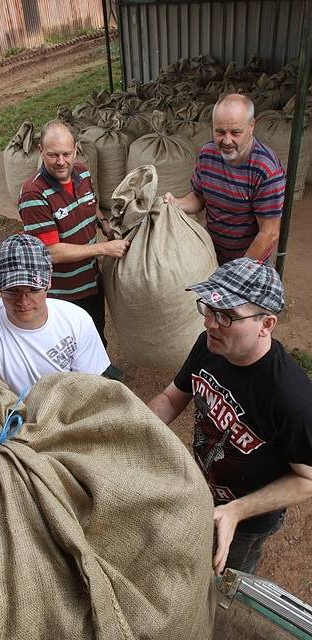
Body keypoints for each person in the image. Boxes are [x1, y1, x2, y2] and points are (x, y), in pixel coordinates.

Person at [147, 257, 312, 575]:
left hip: (248, 518)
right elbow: (170, 398)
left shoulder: (292, 399)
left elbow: (307, 479)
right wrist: (133, 431)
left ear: (266, 324)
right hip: (203, 486)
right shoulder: (210, 346)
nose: (210, 323)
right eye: (208, 308)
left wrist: (237, 511)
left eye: (227, 316)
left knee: (223, 577)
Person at [18, 119, 130, 380]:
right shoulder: (34, 194)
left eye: (66, 154)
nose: (61, 162)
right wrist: (103, 248)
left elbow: (91, 206)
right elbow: (52, 251)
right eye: (53, 155)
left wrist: (104, 224)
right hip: (62, 290)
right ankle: (81, 387)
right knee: (68, 342)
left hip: (89, 279)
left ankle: (100, 365)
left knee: (94, 328)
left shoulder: (82, 174)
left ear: (76, 150)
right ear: (40, 151)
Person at [0, 234, 110, 395]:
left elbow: (90, 388)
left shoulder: (77, 321)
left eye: (33, 290)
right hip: (7, 417)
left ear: (49, 282)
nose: (23, 301)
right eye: (12, 291)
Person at [163, 94, 286, 265]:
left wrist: (237, 271)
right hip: (211, 253)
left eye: (235, 132)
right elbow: (199, 197)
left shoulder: (265, 170)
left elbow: (269, 233)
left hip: (248, 262)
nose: (227, 141)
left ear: (251, 126)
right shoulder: (208, 154)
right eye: (220, 132)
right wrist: (175, 203)